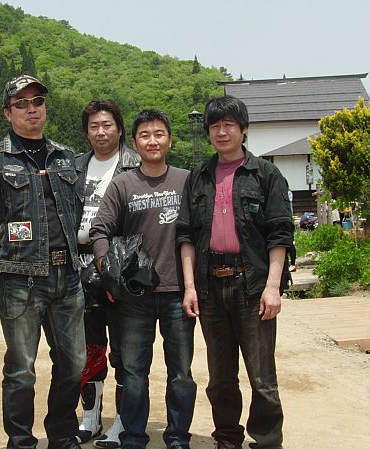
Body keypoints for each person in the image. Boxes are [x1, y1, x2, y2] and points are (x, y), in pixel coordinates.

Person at [0, 74, 86, 449]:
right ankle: (20, 440)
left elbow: (76, 208)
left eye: (37, 102)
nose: (31, 109)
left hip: (68, 273)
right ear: (8, 113)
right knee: (22, 368)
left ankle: (62, 433)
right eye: (21, 104)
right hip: (20, 279)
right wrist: (14, 249)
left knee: (74, 361)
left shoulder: (65, 156)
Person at [176, 95, 293, 449]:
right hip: (210, 287)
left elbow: (280, 234)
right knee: (220, 378)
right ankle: (227, 440)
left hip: (252, 286)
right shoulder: (198, 177)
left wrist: (272, 287)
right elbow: (186, 235)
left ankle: (267, 441)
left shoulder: (266, 175)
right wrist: (190, 287)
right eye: (214, 126)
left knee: (262, 377)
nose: (221, 132)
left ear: (243, 130)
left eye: (229, 125)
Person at [89, 109, 195, 449]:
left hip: (178, 293)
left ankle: (177, 436)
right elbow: (100, 230)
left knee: (181, 373)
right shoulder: (123, 184)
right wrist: (108, 272)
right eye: (145, 135)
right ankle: (134, 436)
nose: (153, 141)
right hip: (135, 295)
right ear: (134, 143)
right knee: (134, 372)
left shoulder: (187, 180)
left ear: (170, 140)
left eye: (159, 134)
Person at [75, 100, 140, 446]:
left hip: (119, 265)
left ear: (119, 128)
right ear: (86, 132)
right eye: (94, 126)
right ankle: (91, 417)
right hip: (78, 267)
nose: (101, 132)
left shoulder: (135, 164)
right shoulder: (73, 167)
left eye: (107, 125)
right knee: (89, 348)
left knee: (125, 350)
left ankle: (125, 422)